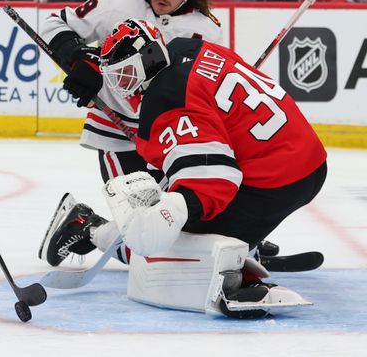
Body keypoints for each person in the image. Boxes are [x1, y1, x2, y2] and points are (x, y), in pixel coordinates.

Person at [41, 18, 327, 318]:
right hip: (306, 161)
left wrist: (170, 212)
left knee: (158, 243)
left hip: (274, 179)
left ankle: (90, 228)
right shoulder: (189, 47)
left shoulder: (167, 99)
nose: (122, 87)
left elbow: (214, 180)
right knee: (175, 223)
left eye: (125, 75)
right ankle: (239, 249)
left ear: (148, 59)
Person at [36, 0, 221, 262]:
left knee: (175, 230)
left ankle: (235, 238)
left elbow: (210, 87)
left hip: (170, 138)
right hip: (117, 131)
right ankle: (86, 225)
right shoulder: (115, 0)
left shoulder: (207, 29)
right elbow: (54, 23)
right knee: (146, 250)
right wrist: (78, 58)